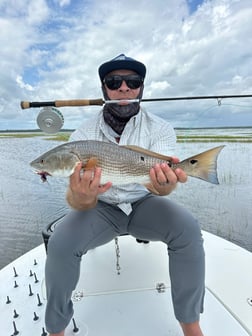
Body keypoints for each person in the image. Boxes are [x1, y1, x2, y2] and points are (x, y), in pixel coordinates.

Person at [45, 54, 205, 336]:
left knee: (187, 229)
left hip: (144, 202)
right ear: (104, 88)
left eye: (132, 82)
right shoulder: (82, 135)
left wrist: (165, 184)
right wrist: (82, 197)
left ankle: (191, 325)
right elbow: (77, 200)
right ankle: (56, 329)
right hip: (101, 208)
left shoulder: (160, 129)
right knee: (59, 243)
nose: (123, 88)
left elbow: (161, 188)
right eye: (113, 81)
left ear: (141, 89)